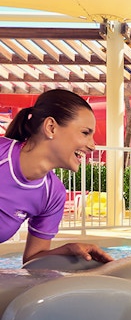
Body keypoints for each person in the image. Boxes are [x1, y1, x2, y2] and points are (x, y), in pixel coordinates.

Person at [1, 88, 112, 265]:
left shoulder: (52, 194)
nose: (92, 146)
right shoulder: (2, 154)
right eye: (85, 133)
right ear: (51, 127)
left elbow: (31, 261)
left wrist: (68, 250)